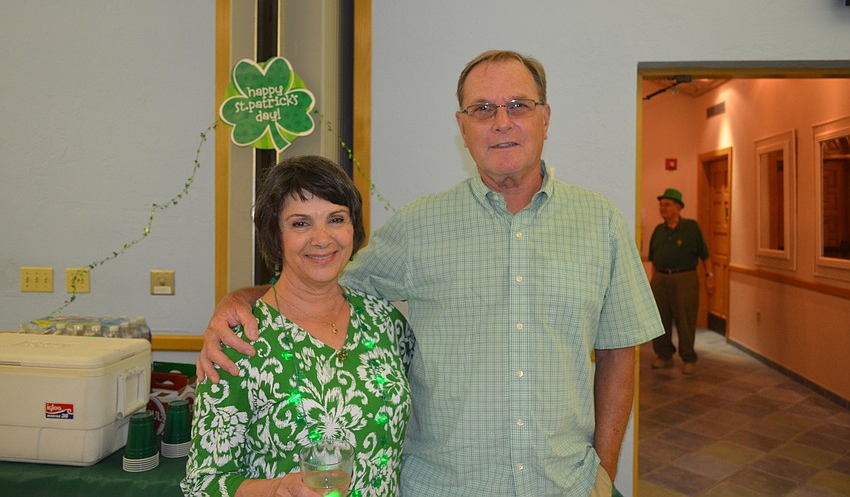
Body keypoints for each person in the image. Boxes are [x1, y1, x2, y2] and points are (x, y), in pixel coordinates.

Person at [199, 50, 663, 497]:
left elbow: (620, 350)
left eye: (518, 106)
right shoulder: (417, 228)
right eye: (482, 109)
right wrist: (240, 298)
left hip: (564, 486)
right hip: (443, 488)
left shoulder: (600, 222)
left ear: (546, 117)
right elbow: (321, 280)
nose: (501, 121)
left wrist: (603, 472)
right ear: (462, 128)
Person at [182, 156, 414, 497]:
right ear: (275, 236)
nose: (322, 239)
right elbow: (202, 484)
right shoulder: (240, 339)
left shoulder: (385, 322)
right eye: (300, 224)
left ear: (354, 228)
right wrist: (276, 489)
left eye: (336, 219)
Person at [648, 188, 715, 375]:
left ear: (678, 207)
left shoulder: (691, 227)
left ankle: (688, 357)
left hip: (685, 278)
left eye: (667, 204)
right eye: (661, 205)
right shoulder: (658, 231)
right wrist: (654, 281)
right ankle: (664, 355)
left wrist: (710, 277)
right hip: (661, 278)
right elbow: (653, 259)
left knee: (685, 319)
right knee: (660, 319)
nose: (663, 208)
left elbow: (706, 255)